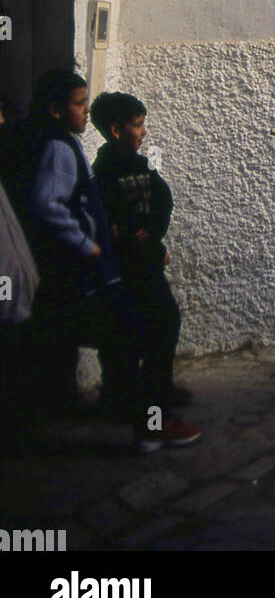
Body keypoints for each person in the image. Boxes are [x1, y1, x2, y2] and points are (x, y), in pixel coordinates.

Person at [27, 70, 200, 452]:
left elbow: (158, 202)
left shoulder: (68, 146)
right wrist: (87, 245)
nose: (85, 111)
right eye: (78, 103)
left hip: (102, 274)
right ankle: (149, 424)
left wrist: (150, 238)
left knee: (135, 336)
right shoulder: (61, 149)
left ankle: (145, 420)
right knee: (142, 332)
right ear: (56, 110)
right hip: (96, 276)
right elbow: (47, 205)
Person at [90, 91, 191, 418]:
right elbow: (110, 214)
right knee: (125, 331)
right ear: (116, 130)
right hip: (123, 266)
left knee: (165, 321)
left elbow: (162, 199)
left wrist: (154, 237)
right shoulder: (104, 170)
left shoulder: (141, 164)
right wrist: (132, 235)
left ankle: (157, 386)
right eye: (137, 125)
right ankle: (121, 395)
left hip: (146, 260)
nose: (144, 131)